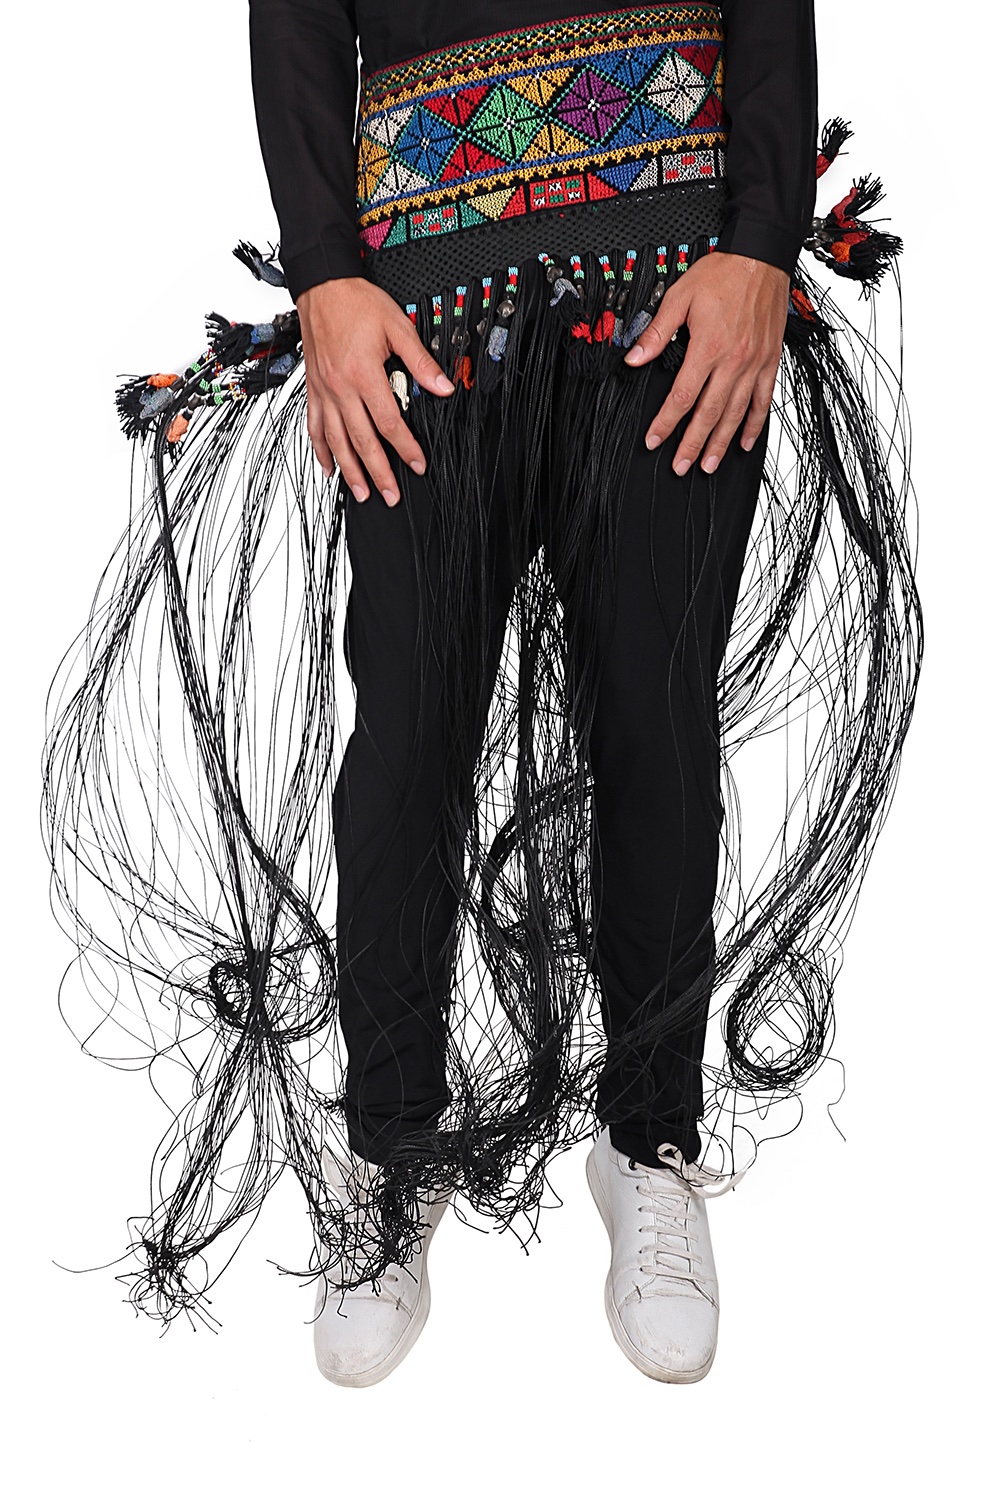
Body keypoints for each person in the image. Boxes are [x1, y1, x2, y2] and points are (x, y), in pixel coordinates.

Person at [41, 1, 920, 1385]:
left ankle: (651, 1145)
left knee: (658, 733)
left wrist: (760, 242)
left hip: (676, 281)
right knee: (406, 745)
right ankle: (392, 1151)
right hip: (421, 306)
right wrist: (325, 274)